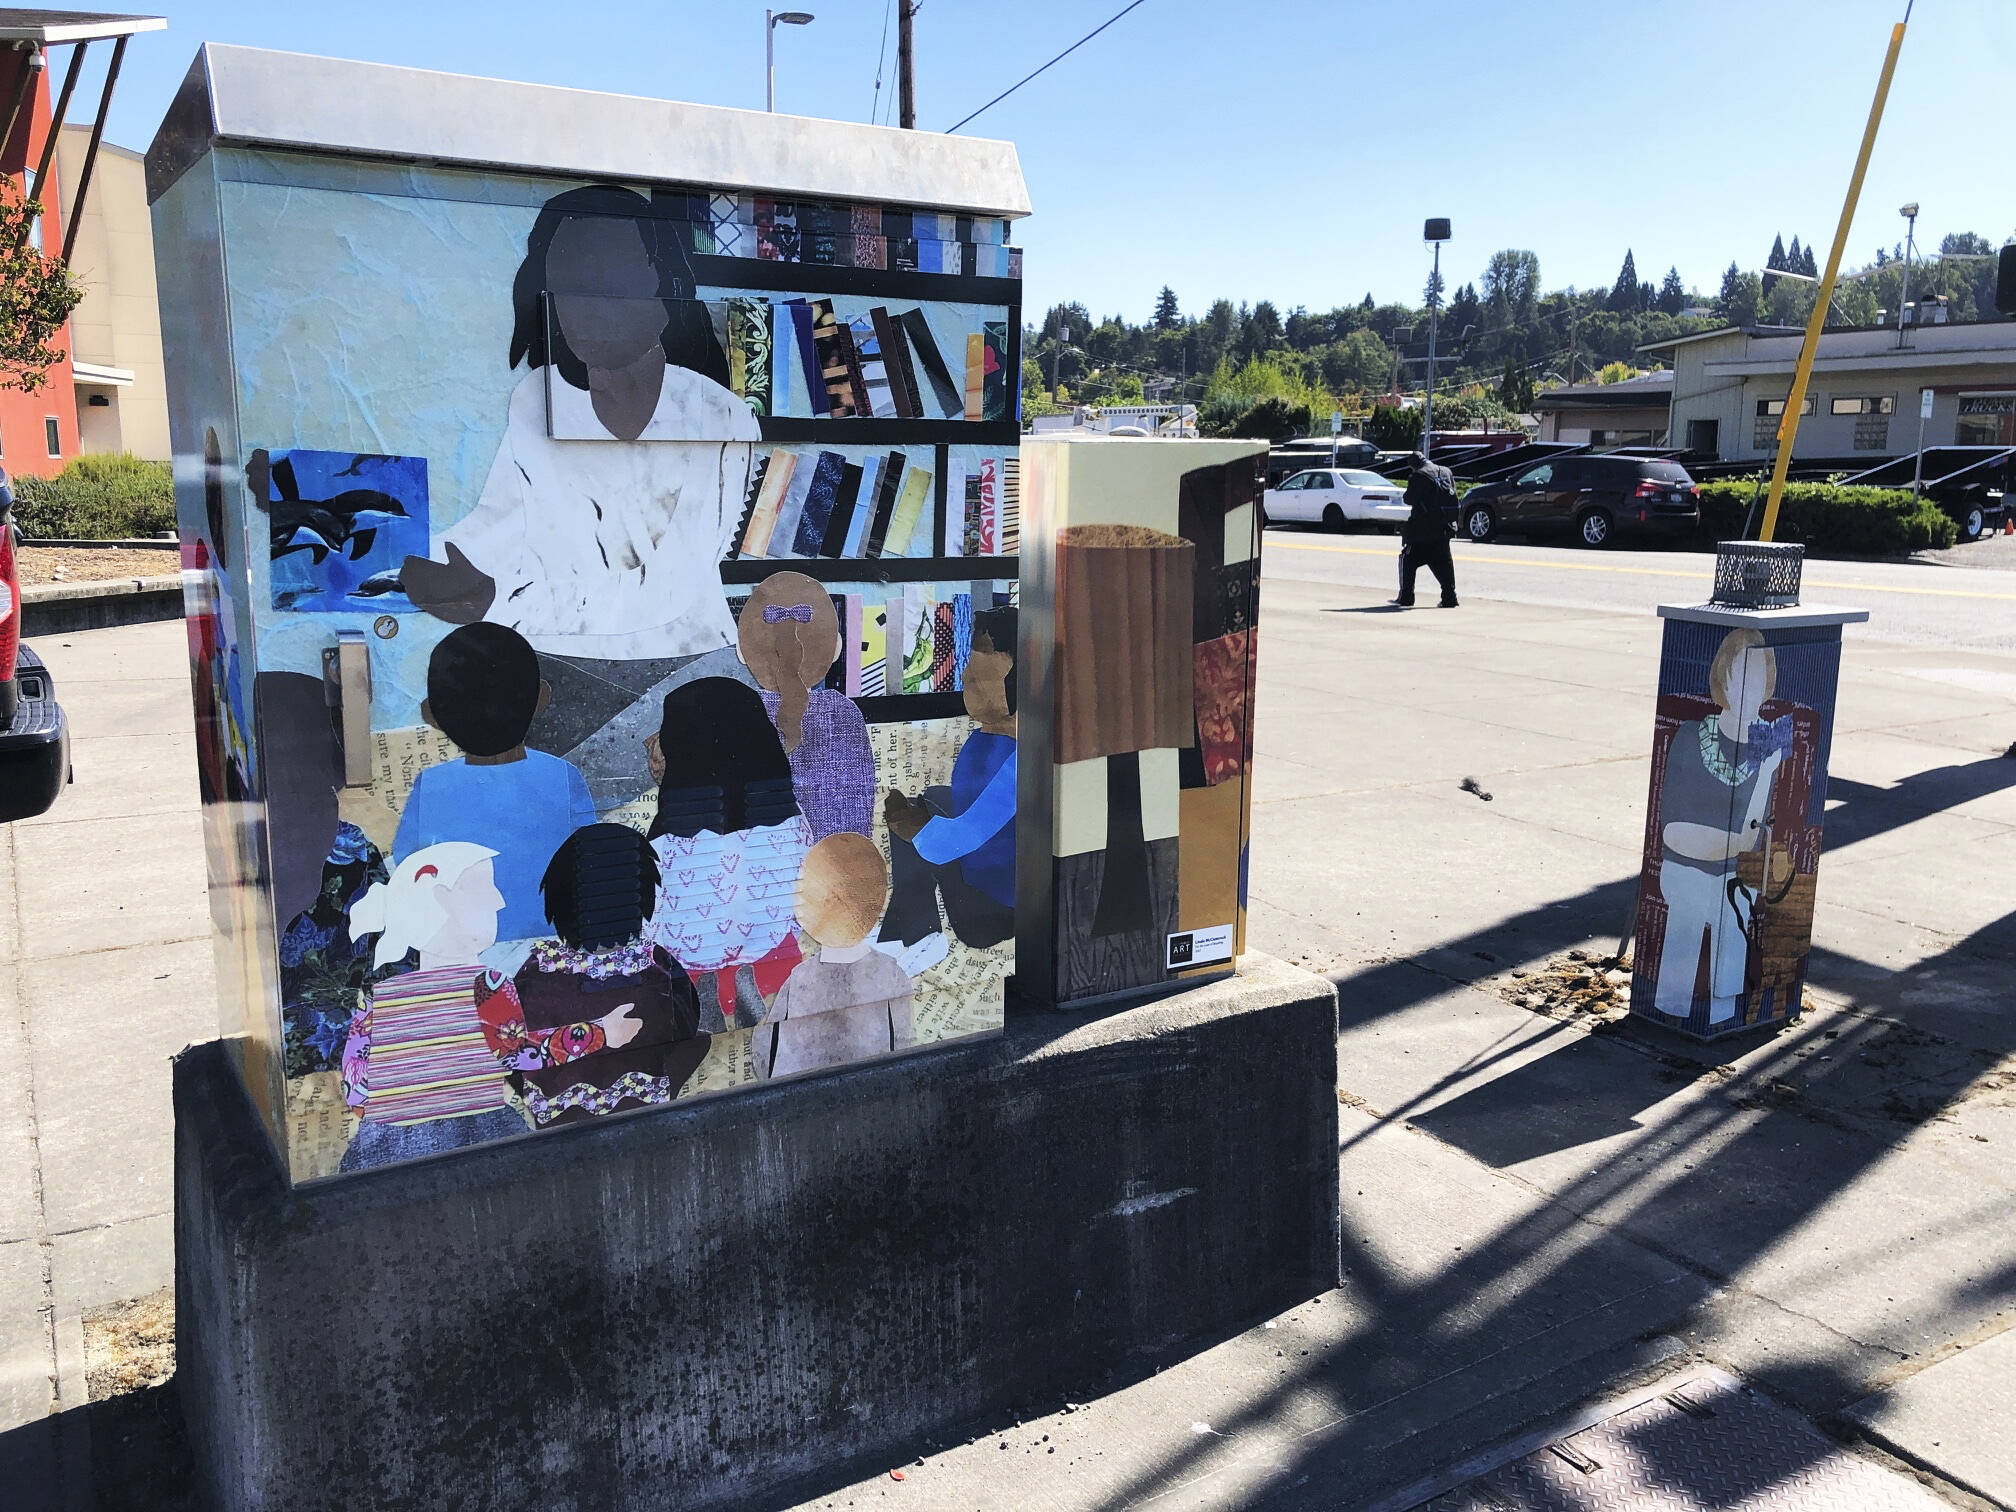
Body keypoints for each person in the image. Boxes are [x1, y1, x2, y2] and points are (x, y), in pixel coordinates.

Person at [401, 184, 759, 661]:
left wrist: (497, 599)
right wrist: (301, 503)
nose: (584, 310)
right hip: (550, 666)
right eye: (566, 288)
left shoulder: (720, 419)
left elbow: (670, 590)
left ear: (661, 284)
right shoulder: (537, 399)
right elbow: (497, 528)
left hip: (679, 666)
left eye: (607, 284)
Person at [477, 824, 709, 1127]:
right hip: (649, 1119)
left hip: (556, 1125)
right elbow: (686, 1028)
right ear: (640, 894)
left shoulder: (535, 969)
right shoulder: (658, 965)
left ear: (561, 898)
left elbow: (513, 1056)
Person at [393, 623, 596, 942]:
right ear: (542, 697)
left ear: (430, 714)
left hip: (461, 941)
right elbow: (587, 855)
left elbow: (406, 860)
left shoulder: (432, 784)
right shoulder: (563, 775)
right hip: (549, 939)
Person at [338, 842, 530, 1171]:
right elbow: (518, 1056)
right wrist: (601, 1033)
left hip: (383, 1148)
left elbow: (355, 1088)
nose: (499, 900)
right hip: (480, 1134)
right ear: (440, 899)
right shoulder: (490, 986)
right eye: (483, 887)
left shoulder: (380, 997)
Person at [643, 677, 814, 1030]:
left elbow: (651, 923)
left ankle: (710, 1000)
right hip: (773, 967)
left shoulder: (666, 837)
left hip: (691, 974)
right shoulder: (790, 819)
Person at [1653, 629, 1790, 1025]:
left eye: (1759, 678)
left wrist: (1765, 772)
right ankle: (1670, 1010)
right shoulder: (1691, 736)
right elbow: (1672, 830)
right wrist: (1732, 843)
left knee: (1734, 902)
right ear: (1722, 678)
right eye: (1741, 675)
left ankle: (1723, 1017)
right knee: (1695, 893)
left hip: (1733, 875)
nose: (1751, 688)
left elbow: (1752, 832)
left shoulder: (1768, 748)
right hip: (1684, 867)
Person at [881, 605, 1017, 953]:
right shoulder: (988, 739)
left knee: (914, 820)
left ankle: (914, 934)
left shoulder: (1020, 758)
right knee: (929, 798)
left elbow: (968, 833)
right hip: (986, 875)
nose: (969, 675)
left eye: (984, 661)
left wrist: (913, 825)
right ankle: (910, 927)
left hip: (993, 907)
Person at [754, 833, 914, 1081]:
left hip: (801, 1103)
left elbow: (765, 1051)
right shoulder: (890, 972)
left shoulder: (800, 978)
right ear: (876, 902)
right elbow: (904, 1046)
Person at [732, 570, 874, 841]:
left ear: (740, 651)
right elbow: (859, 809)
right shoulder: (844, 713)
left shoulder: (738, 713)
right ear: (837, 649)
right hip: (833, 869)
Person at [1393, 451, 1459, 609]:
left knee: (1407, 560)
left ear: (1413, 465)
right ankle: (1450, 597)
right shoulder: (1445, 471)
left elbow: (1408, 499)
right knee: (1444, 562)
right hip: (1445, 526)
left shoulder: (1419, 475)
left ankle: (1406, 597)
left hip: (1423, 528)